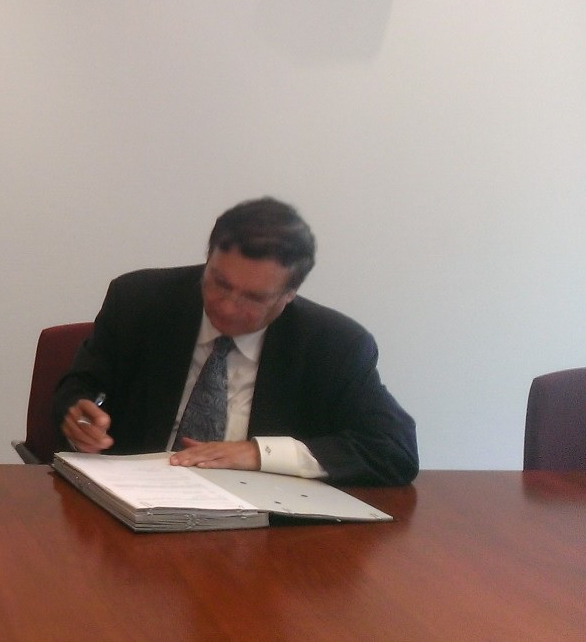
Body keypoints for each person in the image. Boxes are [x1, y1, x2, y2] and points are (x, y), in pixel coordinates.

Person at [53, 197, 418, 486]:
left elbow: (394, 450)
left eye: (254, 298)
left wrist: (259, 454)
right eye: (219, 283)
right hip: (130, 505)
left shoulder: (333, 344)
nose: (227, 307)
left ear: (289, 294)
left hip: (263, 535)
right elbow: (80, 388)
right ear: (208, 258)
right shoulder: (139, 301)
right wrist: (78, 415)